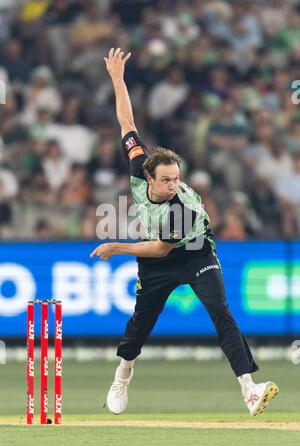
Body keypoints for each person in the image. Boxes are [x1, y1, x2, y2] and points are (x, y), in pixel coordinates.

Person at [90, 48, 279, 417]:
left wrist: (117, 246)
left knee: (220, 312)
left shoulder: (181, 210)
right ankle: (123, 375)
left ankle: (249, 389)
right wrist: (117, 79)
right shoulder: (137, 167)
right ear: (149, 177)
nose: (173, 185)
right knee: (140, 324)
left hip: (194, 252)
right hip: (159, 263)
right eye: (166, 180)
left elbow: (160, 249)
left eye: (177, 178)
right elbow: (127, 123)